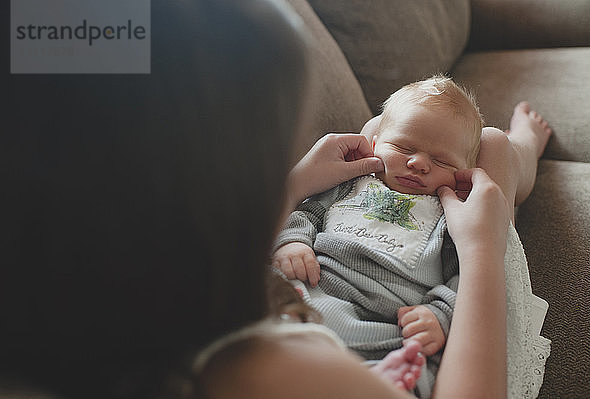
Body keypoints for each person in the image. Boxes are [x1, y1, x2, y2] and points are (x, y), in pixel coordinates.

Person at [2, 0, 548, 398]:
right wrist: (482, 251)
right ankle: (519, 153)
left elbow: (32, 35)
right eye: (267, 163)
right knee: (493, 153)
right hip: (448, 303)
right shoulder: (269, 369)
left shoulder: (77, 303)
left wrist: (294, 182)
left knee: (468, 146)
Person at [271, 76, 551, 396]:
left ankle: (523, 145)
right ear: (374, 147)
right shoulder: (348, 185)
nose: (417, 163)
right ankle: (521, 143)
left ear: (460, 173)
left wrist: (439, 314)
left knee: (465, 140)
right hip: (317, 300)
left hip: (381, 324)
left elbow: (457, 276)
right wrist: (293, 241)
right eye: (405, 149)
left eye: (442, 161)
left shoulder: (453, 213)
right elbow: (308, 213)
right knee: (492, 146)